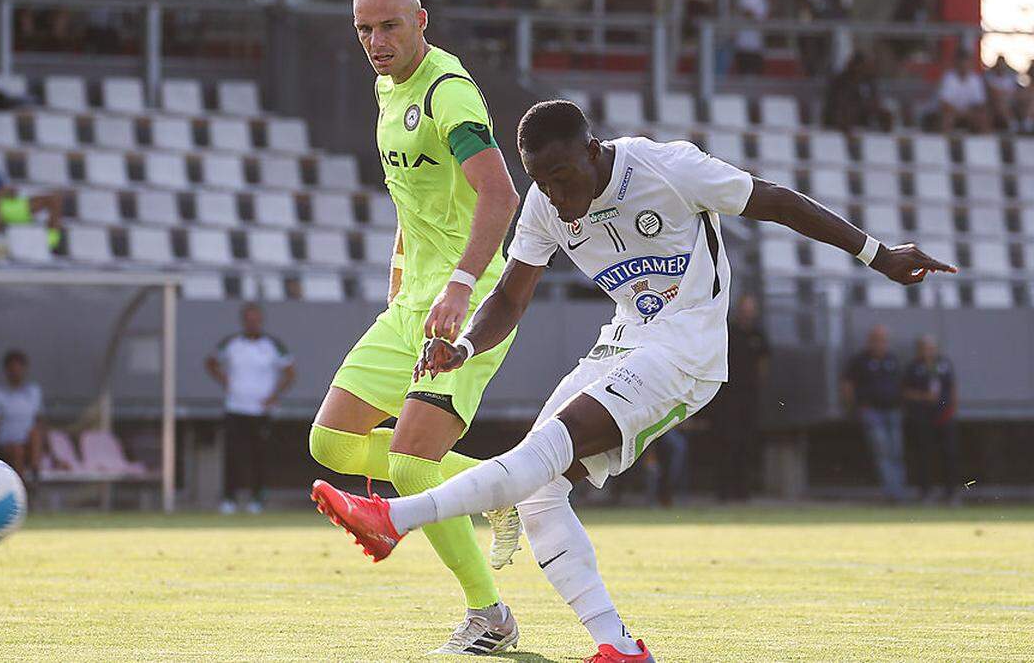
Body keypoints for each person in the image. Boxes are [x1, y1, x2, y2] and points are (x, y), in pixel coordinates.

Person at [311, 99, 955, 663]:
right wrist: (465, 345)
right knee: (538, 494)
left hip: (687, 348)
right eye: (544, 182)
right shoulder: (543, 202)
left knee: (540, 453)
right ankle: (617, 645)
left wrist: (878, 254)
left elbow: (775, 201)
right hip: (622, 342)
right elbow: (509, 297)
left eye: (565, 178)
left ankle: (394, 516)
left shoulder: (665, 166)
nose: (559, 197)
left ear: (593, 152)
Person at [305, 0, 524, 654]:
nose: (376, 41)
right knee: (331, 443)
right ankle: (495, 487)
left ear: (421, 22)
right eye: (364, 29)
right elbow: (417, 195)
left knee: (406, 462)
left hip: (470, 306)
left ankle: (490, 616)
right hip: (411, 305)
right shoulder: (387, 89)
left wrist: (459, 285)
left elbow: (501, 193)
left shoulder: (446, 93)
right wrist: (400, 261)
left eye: (390, 26)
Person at [205, 304, 296, 514]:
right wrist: (224, 380)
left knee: (259, 455)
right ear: (243, 321)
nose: (252, 323)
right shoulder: (232, 344)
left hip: (260, 411)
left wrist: (274, 396)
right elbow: (210, 362)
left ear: (261, 321)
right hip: (235, 407)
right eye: (249, 319)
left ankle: (257, 499)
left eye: (256, 319)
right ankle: (229, 498)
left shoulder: (272, 345)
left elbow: (290, 372)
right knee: (233, 455)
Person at [710, 294, 769, 502]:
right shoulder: (728, 332)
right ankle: (723, 491)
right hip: (728, 396)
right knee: (727, 442)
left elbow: (763, 365)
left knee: (746, 443)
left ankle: (743, 491)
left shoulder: (759, 335)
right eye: (745, 309)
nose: (747, 313)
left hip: (749, 396)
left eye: (750, 309)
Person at [842, 324, 907, 502]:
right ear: (869, 341)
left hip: (892, 410)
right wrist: (854, 406)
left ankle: (899, 492)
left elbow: (900, 383)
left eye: (883, 340)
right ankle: (891, 494)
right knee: (883, 451)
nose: (880, 344)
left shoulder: (892, 359)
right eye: (876, 340)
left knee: (896, 452)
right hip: (872, 411)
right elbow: (848, 385)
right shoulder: (860, 360)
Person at [902, 335, 959, 505]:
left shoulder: (944, 364)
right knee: (924, 454)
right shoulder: (913, 367)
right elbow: (905, 391)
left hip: (944, 415)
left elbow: (952, 386)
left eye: (930, 348)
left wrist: (952, 407)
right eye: (924, 348)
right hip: (923, 416)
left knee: (949, 453)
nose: (928, 352)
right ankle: (926, 492)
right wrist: (923, 397)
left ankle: (951, 493)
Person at [0, 349, 46, 481]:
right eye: (12, 369)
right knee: (17, 451)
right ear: (6, 370)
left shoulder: (33, 392)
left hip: (29, 444)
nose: (16, 372)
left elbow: (40, 422)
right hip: (5, 445)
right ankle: (21, 489)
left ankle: (35, 468)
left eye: (19, 368)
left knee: (35, 433)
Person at [823, 52, 892, 133]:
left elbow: (873, 98)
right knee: (846, 112)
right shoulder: (840, 80)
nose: (865, 68)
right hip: (842, 112)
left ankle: (885, 139)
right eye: (863, 65)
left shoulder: (868, 81)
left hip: (863, 112)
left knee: (885, 114)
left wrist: (874, 105)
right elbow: (836, 101)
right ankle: (847, 139)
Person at [936, 49, 988, 134]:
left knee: (983, 118)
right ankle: (945, 144)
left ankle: (983, 144)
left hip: (969, 113)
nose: (964, 66)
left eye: (966, 63)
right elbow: (944, 103)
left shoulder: (975, 79)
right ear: (956, 63)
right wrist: (959, 112)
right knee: (947, 118)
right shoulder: (948, 78)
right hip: (953, 112)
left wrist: (968, 113)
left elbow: (979, 103)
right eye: (961, 63)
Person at [733, 0, 771, 75]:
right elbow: (746, 12)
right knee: (746, 73)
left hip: (757, 44)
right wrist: (758, 20)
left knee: (756, 73)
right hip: (745, 44)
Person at [983, 55, 1025, 132]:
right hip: (996, 103)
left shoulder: (1011, 77)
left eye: (1002, 65)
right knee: (1001, 103)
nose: (1000, 67)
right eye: (999, 65)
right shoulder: (990, 77)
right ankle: (1013, 125)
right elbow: (993, 92)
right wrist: (1005, 94)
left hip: (1012, 102)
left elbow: (1017, 92)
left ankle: (1027, 123)